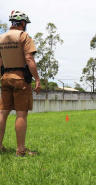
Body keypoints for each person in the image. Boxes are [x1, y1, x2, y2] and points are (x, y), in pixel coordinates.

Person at [0, 10, 41, 156]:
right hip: (20, 79)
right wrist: (37, 78)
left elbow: (0, 61)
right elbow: (29, 58)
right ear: (22, 23)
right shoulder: (24, 36)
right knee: (21, 115)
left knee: (2, 113)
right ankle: (21, 150)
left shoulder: (1, 37)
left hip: (5, 78)